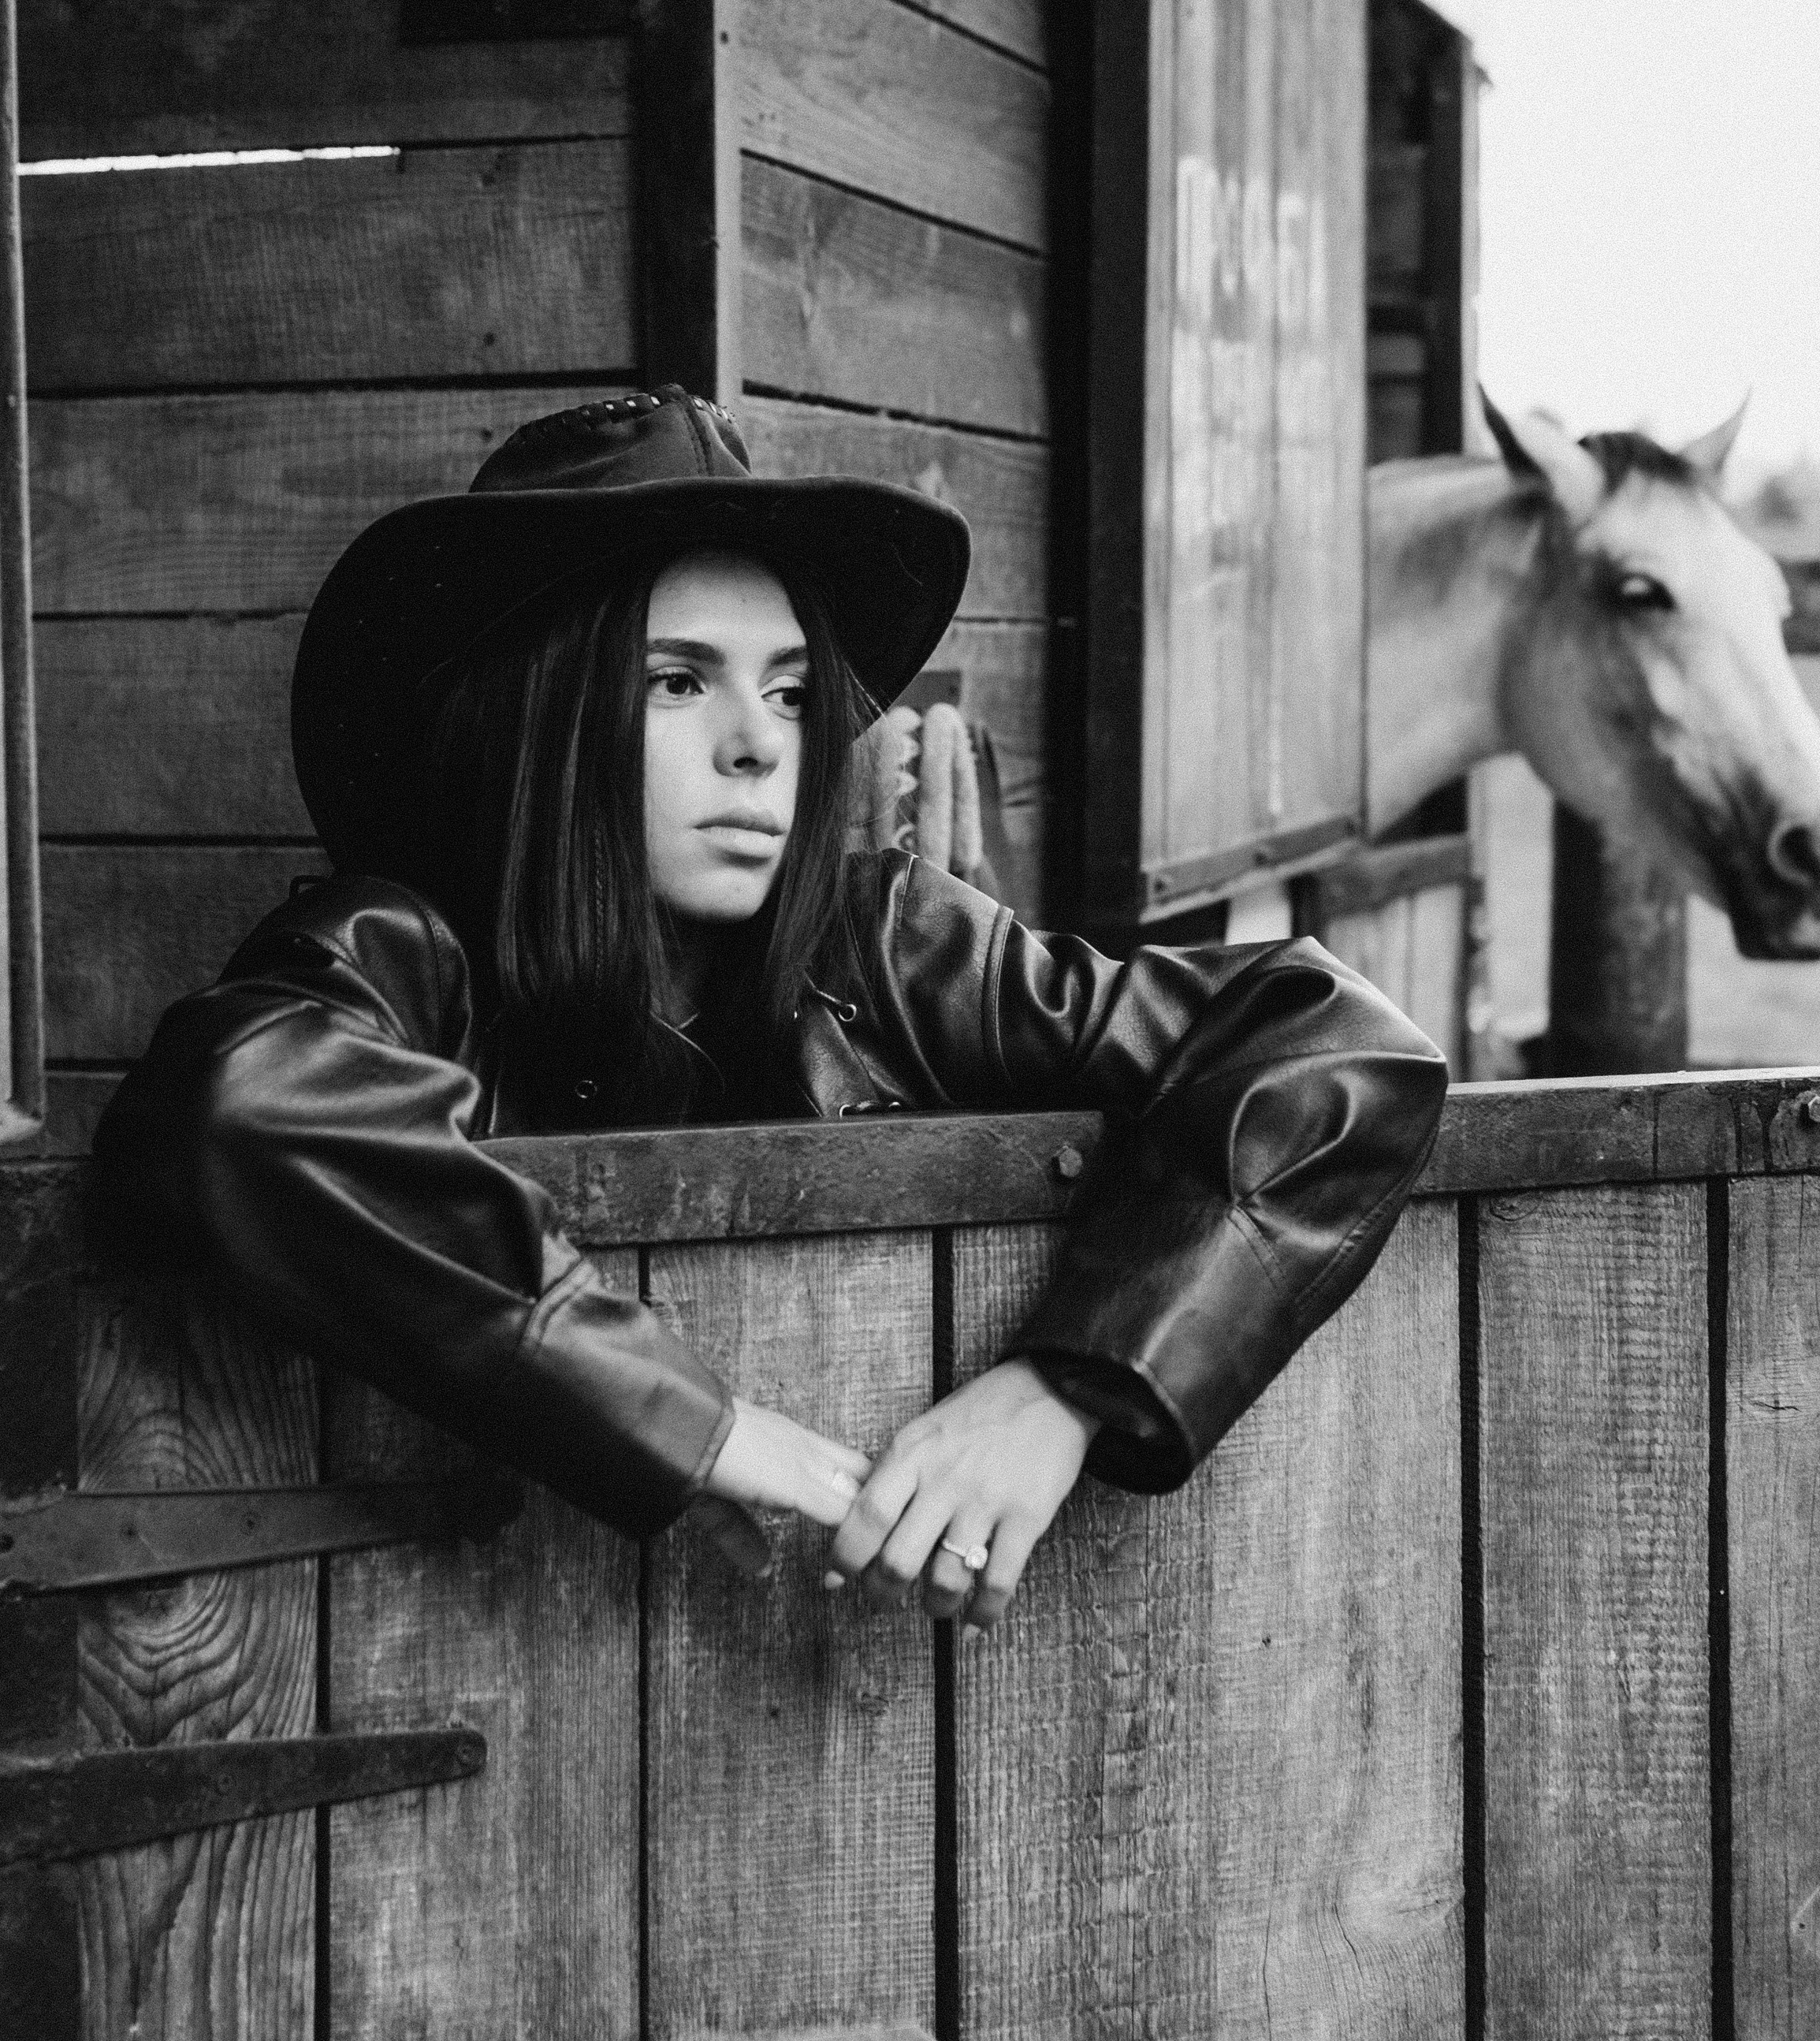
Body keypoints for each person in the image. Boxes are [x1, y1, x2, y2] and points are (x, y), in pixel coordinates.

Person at [95, 387, 1446, 1633]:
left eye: (791, 690)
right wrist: (707, 1428)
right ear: (541, 715)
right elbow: (240, 1100)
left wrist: (1070, 1384)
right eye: (679, 680)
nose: (760, 742)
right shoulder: (403, 952)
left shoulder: (885, 944)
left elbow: (1340, 1044)